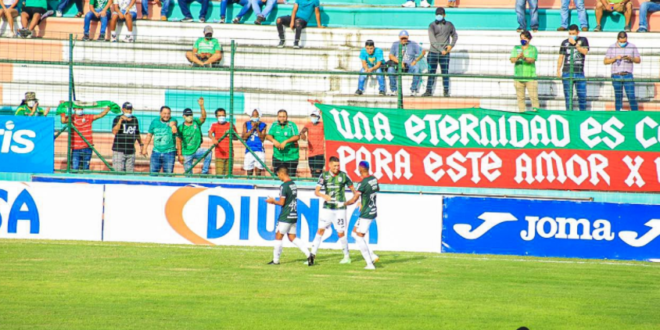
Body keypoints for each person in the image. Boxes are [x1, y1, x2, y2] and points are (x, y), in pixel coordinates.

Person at [309, 156, 357, 264]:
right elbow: (316, 191)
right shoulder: (324, 176)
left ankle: (346, 256)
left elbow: (354, 190)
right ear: (329, 165)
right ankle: (312, 255)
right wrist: (323, 195)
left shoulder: (343, 175)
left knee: (340, 232)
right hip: (328, 208)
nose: (337, 167)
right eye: (334, 165)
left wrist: (354, 199)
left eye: (338, 165)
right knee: (320, 230)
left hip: (340, 209)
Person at [266, 165, 314, 266]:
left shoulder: (284, 186)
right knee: (292, 237)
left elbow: (282, 203)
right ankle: (309, 254)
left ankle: (275, 260)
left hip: (286, 215)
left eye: (278, 175)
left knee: (278, 236)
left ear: (282, 174)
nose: (278, 177)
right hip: (293, 214)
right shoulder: (293, 184)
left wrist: (273, 201)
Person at [346, 161, 380, 270]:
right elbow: (375, 190)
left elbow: (354, 199)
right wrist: (362, 200)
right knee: (354, 234)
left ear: (359, 169)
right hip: (371, 210)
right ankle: (373, 255)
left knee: (359, 237)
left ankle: (369, 264)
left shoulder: (362, 183)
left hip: (366, 213)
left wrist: (344, 203)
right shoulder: (374, 179)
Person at [61, 105, 111, 170]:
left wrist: (108, 109)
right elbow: (63, 120)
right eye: (78, 108)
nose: (80, 110)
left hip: (87, 147)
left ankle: (85, 178)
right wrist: (62, 108)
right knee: (75, 167)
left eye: (81, 108)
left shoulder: (87, 117)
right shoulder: (72, 117)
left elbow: (100, 115)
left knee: (86, 167)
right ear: (74, 109)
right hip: (76, 147)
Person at [424, 7, 457, 98]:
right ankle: (428, 91)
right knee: (431, 72)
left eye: (440, 14)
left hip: (445, 54)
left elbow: (455, 36)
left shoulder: (449, 25)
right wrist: (442, 50)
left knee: (445, 73)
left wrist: (451, 45)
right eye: (437, 14)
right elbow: (433, 41)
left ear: (444, 15)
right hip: (433, 53)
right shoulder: (431, 25)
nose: (438, 16)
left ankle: (446, 91)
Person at [604, 31, 640, 111]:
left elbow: (638, 60)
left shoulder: (632, 46)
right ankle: (618, 113)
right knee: (618, 96)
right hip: (616, 75)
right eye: (621, 41)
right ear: (617, 39)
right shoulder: (612, 47)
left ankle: (635, 113)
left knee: (631, 96)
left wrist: (631, 58)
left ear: (627, 39)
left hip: (628, 75)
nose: (623, 43)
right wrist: (615, 58)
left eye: (624, 41)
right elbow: (605, 61)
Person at [557, 25, 589, 111]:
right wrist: (558, 70)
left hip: (579, 72)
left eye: (573, 33)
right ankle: (569, 114)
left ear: (578, 32)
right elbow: (561, 56)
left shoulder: (583, 40)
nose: (571, 35)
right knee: (568, 96)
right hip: (567, 72)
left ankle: (582, 114)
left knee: (582, 95)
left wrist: (575, 44)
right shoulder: (564, 42)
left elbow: (585, 52)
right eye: (570, 33)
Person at [177, 99, 211, 175]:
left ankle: (204, 173)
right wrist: (179, 155)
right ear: (184, 116)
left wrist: (201, 106)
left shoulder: (196, 122)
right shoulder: (180, 128)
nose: (190, 117)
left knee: (208, 152)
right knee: (189, 175)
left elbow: (203, 117)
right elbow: (178, 141)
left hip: (197, 150)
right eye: (187, 115)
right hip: (186, 153)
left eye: (191, 115)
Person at [142, 106, 178, 174]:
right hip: (156, 152)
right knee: (153, 174)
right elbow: (149, 135)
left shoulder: (173, 120)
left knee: (168, 175)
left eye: (168, 113)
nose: (166, 115)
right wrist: (144, 148)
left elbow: (173, 123)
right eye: (164, 113)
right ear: (160, 113)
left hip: (169, 152)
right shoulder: (154, 122)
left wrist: (173, 126)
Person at [388, 30, 424, 97]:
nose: (404, 40)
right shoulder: (395, 44)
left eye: (405, 38)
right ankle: (393, 90)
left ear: (408, 37)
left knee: (417, 69)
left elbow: (423, 52)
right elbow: (390, 56)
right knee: (390, 69)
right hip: (398, 65)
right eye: (402, 38)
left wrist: (415, 61)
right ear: (399, 38)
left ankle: (413, 89)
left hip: (409, 66)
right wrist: (400, 62)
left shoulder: (413, 44)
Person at [510, 30, 539, 112]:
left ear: (529, 39)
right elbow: (512, 59)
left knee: (534, 98)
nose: (522, 40)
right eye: (521, 38)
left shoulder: (533, 48)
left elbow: (532, 59)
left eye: (524, 38)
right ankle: (522, 114)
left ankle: (536, 114)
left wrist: (524, 58)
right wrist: (518, 57)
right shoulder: (516, 48)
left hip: (530, 77)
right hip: (518, 77)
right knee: (520, 98)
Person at [266, 109, 300, 177]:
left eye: (284, 117)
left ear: (287, 117)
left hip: (291, 157)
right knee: (277, 177)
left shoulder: (292, 125)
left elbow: (297, 136)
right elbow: (268, 135)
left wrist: (286, 141)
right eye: (280, 117)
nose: (282, 118)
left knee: (290, 177)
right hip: (278, 156)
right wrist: (274, 140)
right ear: (277, 117)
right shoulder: (274, 124)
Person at [111, 102, 142, 172]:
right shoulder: (117, 118)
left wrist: (141, 145)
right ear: (123, 109)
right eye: (127, 109)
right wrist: (120, 121)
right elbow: (114, 132)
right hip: (119, 150)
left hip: (130, 150)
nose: (129, 111)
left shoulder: (134, 119)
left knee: (130, 173)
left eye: (130, 109)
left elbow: (137, 133)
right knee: (118, 172)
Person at [209, 108, 237, 176]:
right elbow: (210, 133)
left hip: (229, 154)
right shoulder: (214, 125)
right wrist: (213, 138)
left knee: (228, 175)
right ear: (216, 117)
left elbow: (236, 137)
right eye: (219, 115)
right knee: (219, 174)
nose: (222, 117)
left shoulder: (230, 125)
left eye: (223, 115)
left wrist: (231, 135)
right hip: (219, 153)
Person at [241, 108, 267, 177]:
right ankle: (250, 185)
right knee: (249, 172)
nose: (254, 117)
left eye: (256, 115)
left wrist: (257, 128)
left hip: (259, 150)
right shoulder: (246, 124)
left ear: (259, 116)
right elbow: (244, 137)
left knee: (258, 173)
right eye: (253, 115)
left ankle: (258, 186)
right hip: (249, 150)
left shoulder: (263, 125)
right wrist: (252, 128)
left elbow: (262, 139)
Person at [299, 109, 324, 178]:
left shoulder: (322, 125)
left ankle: (319, 185)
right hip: (311, 152)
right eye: (312, 116)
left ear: (318, 117)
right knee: (312, 171)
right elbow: (302, 131)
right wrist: (302, 134)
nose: (313, 117)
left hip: (320, 152)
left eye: (315, 116)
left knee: (318, 171)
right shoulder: (308, 124)